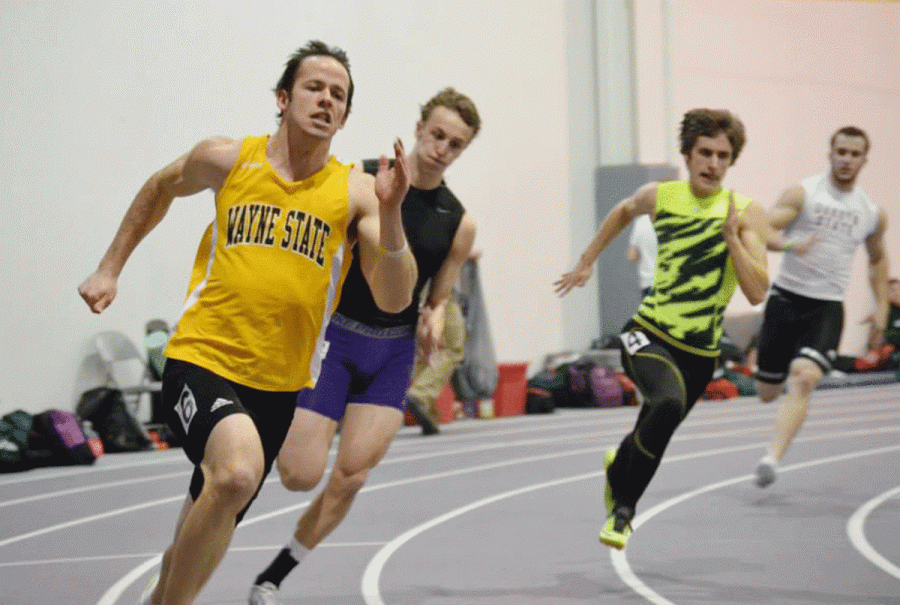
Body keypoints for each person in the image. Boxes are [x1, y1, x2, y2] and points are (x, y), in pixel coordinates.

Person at [78, 40, 417, 605]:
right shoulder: (228, 157)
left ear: (345, 115)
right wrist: (109, 268)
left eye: (339, 95)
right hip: (202, 357)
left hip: (279, 387)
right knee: (236, 473)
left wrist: (391, 211)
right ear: (284, 98)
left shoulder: (356, 192)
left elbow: (394, 296)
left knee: (201, 530)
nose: (326, 100)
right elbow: (160, 188)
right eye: (315, 87)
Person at [248, 88, 479, 604]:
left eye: (455, 144)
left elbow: (437, 295)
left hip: (392, 353)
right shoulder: (364, 177)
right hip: (337, 337)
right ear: (419, 128)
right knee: (299, 474)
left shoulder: (457, 221)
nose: (442, 148)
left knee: (351, 476)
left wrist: (434, 317)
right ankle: (236, 467)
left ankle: (273, 576)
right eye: (437, 134)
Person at [555, 108, 769, 550]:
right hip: (647, 332)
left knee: (660, 425)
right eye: (704, 153)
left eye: (722, 156)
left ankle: (620, 467)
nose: (712, 163)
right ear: (688, 156)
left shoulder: (746, 213)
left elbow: (756, 291)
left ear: (732, 161)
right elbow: (622, 210)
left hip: (700, 352)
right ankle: (624, 512)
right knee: (666, 402)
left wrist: (732, 239)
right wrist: (586, 260)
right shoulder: (660, 196)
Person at [753, 126, 889, 488]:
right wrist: (787, 245)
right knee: (767, 393)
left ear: (864, 160)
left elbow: (877, 262)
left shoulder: (870, 213)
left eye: (854, 154)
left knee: (806, 378)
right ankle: (777, 392)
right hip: (785, 300)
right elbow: (760, 230)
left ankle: (772, 458)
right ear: (830, 154)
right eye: (840, 152)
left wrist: (882, 309)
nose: (846, 160)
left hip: (826, 306)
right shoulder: (804, 193)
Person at [626, 213, 658, 297]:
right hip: (671, 282)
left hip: (648, 284)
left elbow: (632, 256)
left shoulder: (640, 222)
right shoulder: (673, 220)